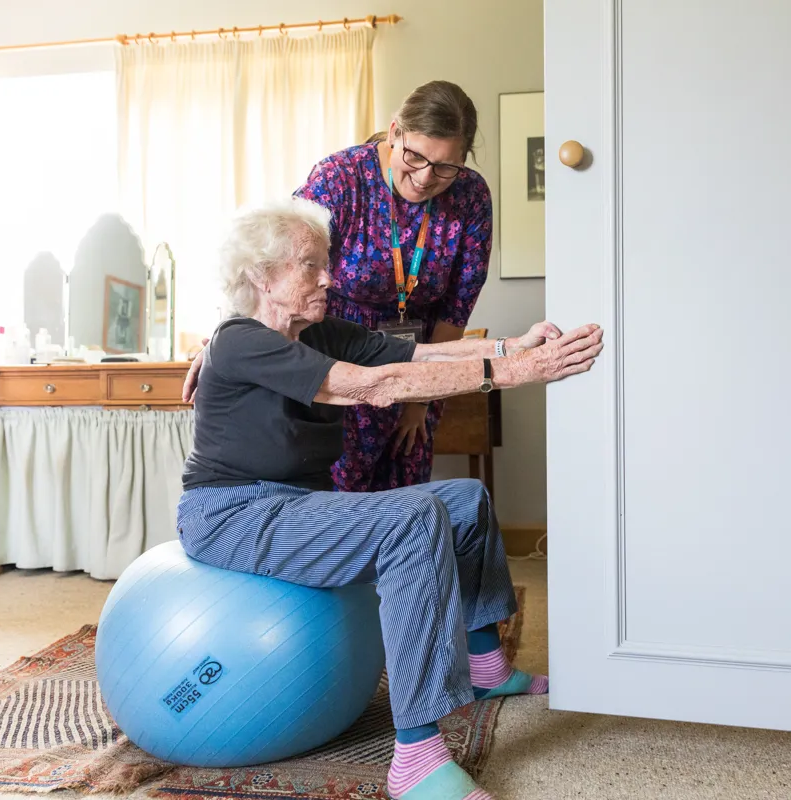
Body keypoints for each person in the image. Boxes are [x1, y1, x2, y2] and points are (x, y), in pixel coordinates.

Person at [177, 198, 603, 800]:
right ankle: (418, 760)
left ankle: (487, 666)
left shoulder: (316, 331)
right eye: (310, 265)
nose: (330, 277)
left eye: (327, 262)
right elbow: (375, 386)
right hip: (235, 514)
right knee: (413, 519)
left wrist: (512, 346)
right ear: (260, 276)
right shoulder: (241, 342)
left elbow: (412, 355)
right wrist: (518, 374)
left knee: (464, 498)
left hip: (296, 503)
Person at [293, 80, 492, 493]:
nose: (424, 177)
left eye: (445, 166)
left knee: (405, 494)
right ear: (395, 131)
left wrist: (419, 398)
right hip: (334, 357)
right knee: (338, 500)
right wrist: (237, 338)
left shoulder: (471, 196)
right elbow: (283, 266)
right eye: (414, 156)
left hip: (420, 358)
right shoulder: (339, 179)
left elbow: (457, 307)